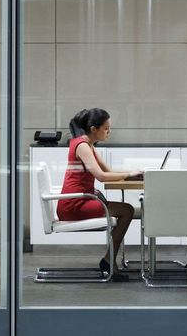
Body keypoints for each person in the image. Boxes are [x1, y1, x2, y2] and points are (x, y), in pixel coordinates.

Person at [56, 108, 142, 282]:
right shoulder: (82, 146)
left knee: (127, 210)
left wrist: (132, 173)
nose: (109, 132)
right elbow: (102, 177)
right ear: (94, 129)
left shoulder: (88, 145)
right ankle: (109, 260)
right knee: (127, 210)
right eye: (106, 128)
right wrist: (128, 174)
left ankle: (109, 259)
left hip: (81, 199)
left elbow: (109, 171)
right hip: (74, 205)